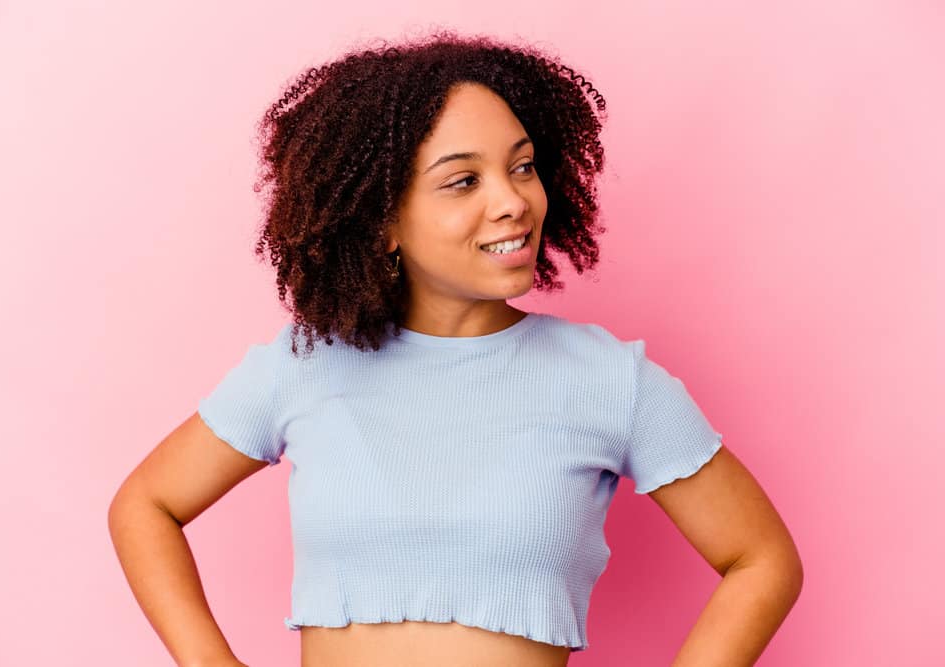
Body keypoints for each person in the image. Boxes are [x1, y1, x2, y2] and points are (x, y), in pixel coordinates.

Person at [108, 30, 803, 667]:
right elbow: (145, 504)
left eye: (522, 167)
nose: (514, 202)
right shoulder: (304, 364)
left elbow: (762, 558)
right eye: (464, 180)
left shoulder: (610, 380)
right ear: (384, 222)